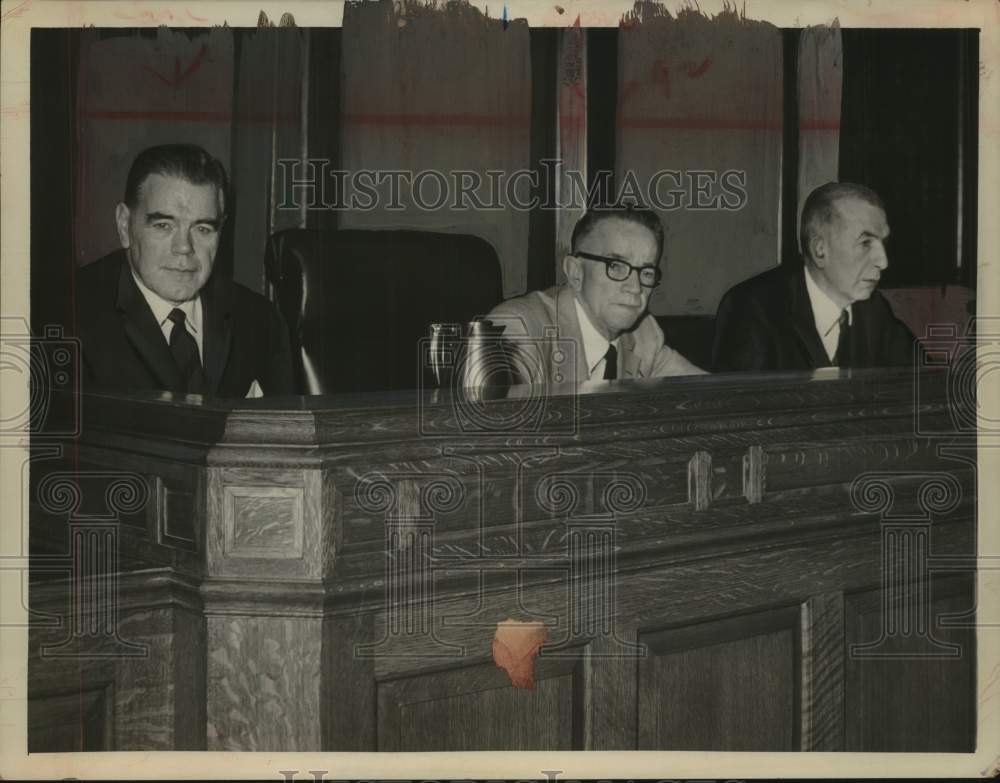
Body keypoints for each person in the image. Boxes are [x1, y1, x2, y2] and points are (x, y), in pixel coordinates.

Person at [75, 144, 294, 397]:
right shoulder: (70, 318)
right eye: (163, 226)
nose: (184, 248)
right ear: (125, 225)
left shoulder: (261, 322)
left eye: (203, 229)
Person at [486, 206, 705, 385]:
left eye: (646, 272)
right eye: (616, 266)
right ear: (575, 272)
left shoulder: (644, 334)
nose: (635, 287)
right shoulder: (520, 328)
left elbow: (714, 395)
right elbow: (494, 423)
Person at [712, 182, 915, 372]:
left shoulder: (874, 309)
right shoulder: (752, 308)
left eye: (883, 243)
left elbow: (926, 380)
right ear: (820, 250)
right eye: (865, 243)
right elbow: (742, 405)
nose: (883, 261)